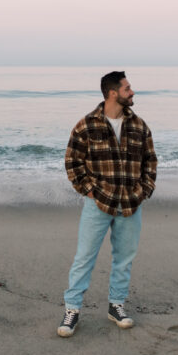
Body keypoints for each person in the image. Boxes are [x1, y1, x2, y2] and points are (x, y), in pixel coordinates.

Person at [57, 71, 157, 337]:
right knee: (84, 259)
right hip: (98, 204)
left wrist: (144, 190)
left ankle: (116, 306)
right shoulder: (86, 125)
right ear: (113, 93)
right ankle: (72, 310)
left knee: (124, 259)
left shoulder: (139, 126)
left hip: (130, 204)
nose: (132, 92)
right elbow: (72, 162)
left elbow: (150, 161)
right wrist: (88, 190)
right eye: (127, 88)